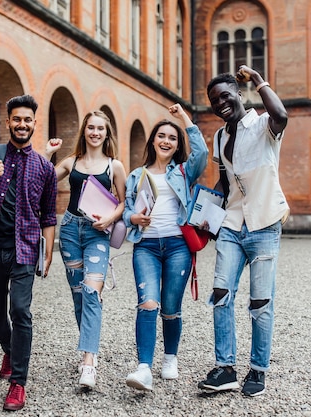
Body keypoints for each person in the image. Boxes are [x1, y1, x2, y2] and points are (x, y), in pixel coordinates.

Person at [197, 65, 289, 397]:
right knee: (221, 296)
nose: (220, 102)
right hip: (233, 226)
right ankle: (225, 369)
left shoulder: (265, 124)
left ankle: (258, 370)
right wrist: (208, 214)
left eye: (225, 95)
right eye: (213, 100)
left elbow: (282, 114)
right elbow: (225, 182)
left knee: (260, 302)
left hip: (264, 224)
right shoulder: (220, 137)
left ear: (238, 93)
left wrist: (258, 79)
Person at [0, 94, 58, 411]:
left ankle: (18, 382)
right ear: (8, 122)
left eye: (27, 119)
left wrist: (47, 253)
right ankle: (9, 348)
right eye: (17, 119)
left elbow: (48, 215)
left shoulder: (45, 168)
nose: (22, 124)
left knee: (20, 310)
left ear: (35, 123)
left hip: (26, 249)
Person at [122, 103, 208, 391]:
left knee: (170, 307)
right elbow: (125, 212)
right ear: (153, 141)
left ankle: (170, 357)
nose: (166, 141)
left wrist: (184, 118)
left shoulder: (183, 172)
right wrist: (133, 217)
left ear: (176, 144)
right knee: (148, 303)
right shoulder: (136, 175)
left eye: (172, 138)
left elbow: (203, 154)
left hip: (177, 246)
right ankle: (144, 367)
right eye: (161, 136)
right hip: (145, 246)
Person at [44, 110, 127, 389]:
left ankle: (88, 362)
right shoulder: (72, 162)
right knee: (79, 295)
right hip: (69, 230)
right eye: (90, 128)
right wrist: (48, 153)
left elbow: (124, 201)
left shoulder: (114, 166)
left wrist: (110, 218)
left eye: (100, 129)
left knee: (92, 292)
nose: (95, 132)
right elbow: (43, 182)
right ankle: (88, 346)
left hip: (97, 233)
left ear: (106, 133)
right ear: (85, 131)